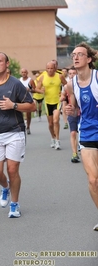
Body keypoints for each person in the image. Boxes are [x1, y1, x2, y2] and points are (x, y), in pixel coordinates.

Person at [0, 52, 36, 218]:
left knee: (12, 170)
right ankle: (5, 187)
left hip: (14, 131)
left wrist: (13, 105)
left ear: (7, 64)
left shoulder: (15, 84)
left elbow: (32, 107)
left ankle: (14, 205)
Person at [65, 42, 98, 231]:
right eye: (73, 55)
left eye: (80, 54)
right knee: (93, 180)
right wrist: (71, 109)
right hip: (87, 131)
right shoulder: (71, 85)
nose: (75, 57)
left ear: (89, 59)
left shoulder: (97, 77)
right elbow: (75, 108)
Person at [36, 61, 67, 150]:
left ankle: (57, 140)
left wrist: (63, 94)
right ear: (46, 69)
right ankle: (52, 137)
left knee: (56, 120)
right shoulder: (42, 77)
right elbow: (37, 88)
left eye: (51, 68)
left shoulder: (60, 76)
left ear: (55, 69)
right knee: (50, 124)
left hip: (57, 101)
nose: (50, 70)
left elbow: (66, 85)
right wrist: (41, 91)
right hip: (47, 102)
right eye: (48, 68)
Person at [61, 66, 80, 163]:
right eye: (70, 73)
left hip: (82, 112)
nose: (72, 75)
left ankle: (82, 146)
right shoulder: (66, 86)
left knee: (81, 132)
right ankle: (74, 153)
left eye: (74, 73)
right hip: (72, 112)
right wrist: (62, 98)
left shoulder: (82, 84)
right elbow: (63, 95)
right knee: (73, 132)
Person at [19, 68, 41, 134]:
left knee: (28, 114)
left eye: (25, 72)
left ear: (27, 73)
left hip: (28, 99)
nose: (23, 73)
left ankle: (28, 127)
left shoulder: (30, 80)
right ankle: (22, 126)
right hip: (20, 99)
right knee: (20, 114)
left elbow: (35, 90)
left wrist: (30, 90)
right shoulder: (19, 80)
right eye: (22, 72)